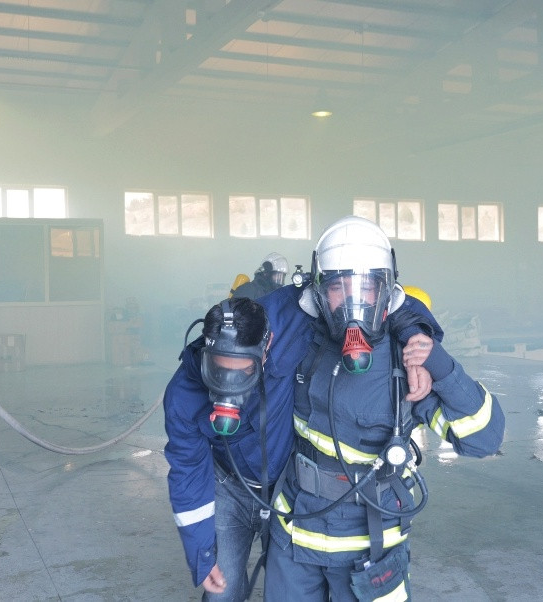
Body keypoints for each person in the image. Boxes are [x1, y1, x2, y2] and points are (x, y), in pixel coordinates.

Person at [164, 258, 443, 600]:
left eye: (244, 370)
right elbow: (187, 470)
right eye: (219, 370)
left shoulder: (286, 316)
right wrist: (201, 552)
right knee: (223, 589)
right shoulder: (182, 395)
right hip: (229, 488)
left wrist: (417, 342)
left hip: (288, 486)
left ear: (267, 346)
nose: (229, 384)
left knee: (291, 582)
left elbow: (375, 298)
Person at [262, 216, 505, 602]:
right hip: (294, 534)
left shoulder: (405, 364)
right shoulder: (301, 341)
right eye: (338, 288)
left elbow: (484, 440)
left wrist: (440, 365)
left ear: (386, 291)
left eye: (366, 288)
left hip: (370, 547)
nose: (353, 302)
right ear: (319, 293)